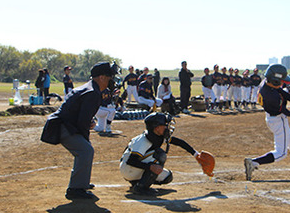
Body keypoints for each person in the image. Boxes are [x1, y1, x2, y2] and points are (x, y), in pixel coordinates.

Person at [41, 62, 117, 200]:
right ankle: (75, 189)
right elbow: (82, 122)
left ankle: (81, 183)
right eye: (109, 77)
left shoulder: (91, 89)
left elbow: (82, 117)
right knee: (86, 150)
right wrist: (85, 133)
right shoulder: (93, 92)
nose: (112, 80)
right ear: (101, 77)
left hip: (66, 124)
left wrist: (88, 125)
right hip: (63, 126)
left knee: (85, 149)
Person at [119, 112, 205, 195]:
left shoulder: (155, 136)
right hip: (128, 169)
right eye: (165, 125)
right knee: (159, 154)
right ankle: (141, 188)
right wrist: (150, 166)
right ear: (156, 128)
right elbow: (131, 161)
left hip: (134, 169)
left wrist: (196, 154)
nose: (167, 127)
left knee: (167, 177)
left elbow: (178, 142)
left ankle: (137, 182)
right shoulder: (143, 141)